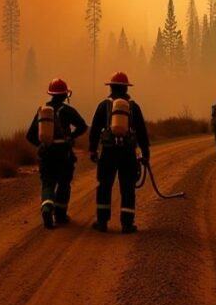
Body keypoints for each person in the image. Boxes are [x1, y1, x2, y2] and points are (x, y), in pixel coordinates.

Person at [89, 71, 150, 234]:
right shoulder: (133, 107)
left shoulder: (104, 105)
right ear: (126, 88)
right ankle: (127, 224)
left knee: (104, 186)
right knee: (128, 188)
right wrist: (146, 154)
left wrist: (92, 150)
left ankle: (102, 222)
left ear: (111, 87)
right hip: (127, 153)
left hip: (108, 152)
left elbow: (94, 130)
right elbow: (142, 132)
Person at [26, 78, 88, 229]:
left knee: (48, 183)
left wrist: (42, 145)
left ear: (51, 93)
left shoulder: (42, 111)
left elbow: (30, 135)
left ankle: (47, 208)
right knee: (64, 183)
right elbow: (83, 126)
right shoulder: (67, 110)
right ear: (65, 94)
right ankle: (60, 215)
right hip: (64, 154)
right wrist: (71, 137)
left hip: (46, 154)